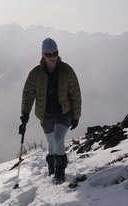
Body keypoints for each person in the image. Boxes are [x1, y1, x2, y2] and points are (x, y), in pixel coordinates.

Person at [19, 38, 82, 184]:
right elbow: (28, 94)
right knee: (52, 144)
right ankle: (52, 164)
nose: (52, 57)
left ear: (58, 53)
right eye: (48, 54)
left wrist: (76, 116)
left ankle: (60, 170)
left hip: (64, 112)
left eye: (54, 53)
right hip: (45, 114)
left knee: (58, 139)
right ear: (43, 55)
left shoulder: (66, 71)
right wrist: (24, 114)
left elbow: (75, 94)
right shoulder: (36, 73)